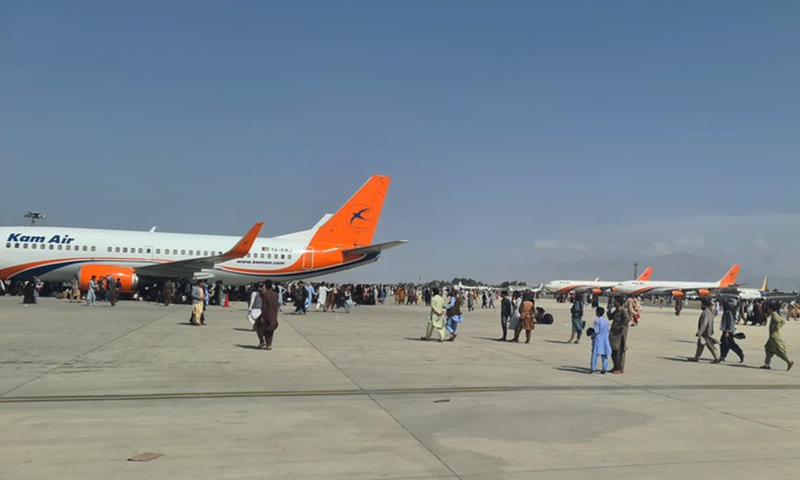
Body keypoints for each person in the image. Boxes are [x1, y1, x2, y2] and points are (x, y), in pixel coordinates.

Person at [760, 302, 794, 371]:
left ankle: (788, 361)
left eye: (769, 308)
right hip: (772, 336)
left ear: (771, 309)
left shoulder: (775, 316)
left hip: (773, 337)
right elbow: (783, 321)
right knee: (768, 349)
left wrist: (777, 328)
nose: (768, 310)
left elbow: (779, 321)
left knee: (777, 351)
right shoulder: (774, 314)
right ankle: (767, 364)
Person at [688, 299, 720, 363]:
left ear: (705, 305)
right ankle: (696, 357)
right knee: (700, 345)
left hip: (705, 333)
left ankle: (717, 358)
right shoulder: (708, 312)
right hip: (705, 332)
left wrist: (700, 332)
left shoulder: (706, 313)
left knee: (710, 345)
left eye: (702, 304)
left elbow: (705, 323)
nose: (701, 305)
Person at [609, 297, 630, 374]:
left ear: (618, 302)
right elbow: (610, 317)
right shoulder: (616, 310)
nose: (614, 303)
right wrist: (609, 310)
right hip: (614, 333)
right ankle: (615, 366)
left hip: (620, 334)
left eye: (615, 301)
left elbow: (627, 319)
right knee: (613, 350)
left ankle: (620, 368)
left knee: (619, 350)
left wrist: (620, 326)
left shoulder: (622, 310)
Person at [257, 280, 280, 350]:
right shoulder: (276, 294)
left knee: (258, 327)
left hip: (266, 314)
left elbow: (263, 306)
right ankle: (269, 345)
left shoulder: (265, 294)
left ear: (265, 285)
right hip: (274, 314)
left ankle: (262, 341)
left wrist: (262, 316)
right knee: (270, 329)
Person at [590, 307, 612, 374]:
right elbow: (608, 330)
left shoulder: (597, 321)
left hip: (598, 340)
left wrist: (592, 335)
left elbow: (596, 331)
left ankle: (593, 368)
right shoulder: (605, 321)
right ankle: (605, 368)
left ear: (598, 313)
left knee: (595, 354)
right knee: (604, 354)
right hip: (605, 339)